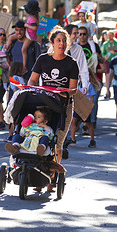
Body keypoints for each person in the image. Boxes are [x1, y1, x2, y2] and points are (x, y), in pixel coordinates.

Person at [28, 27, 78, 165]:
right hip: (45, 102)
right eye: (58, 41)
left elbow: (74, 88)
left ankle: (52, 177)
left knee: (57, 142)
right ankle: (38, 170)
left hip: (64, 105)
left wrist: (65, 92)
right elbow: (32, 79)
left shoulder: (72, 63)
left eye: (64, 41)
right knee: (39, 135)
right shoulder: (43, 59)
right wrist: (31, 88)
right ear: (52, 43)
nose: (61, 43)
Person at [6, 0, 40, 72]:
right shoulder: (14, 41)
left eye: (21, 30)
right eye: (16, 30)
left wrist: (27, 25)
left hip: (30, 36)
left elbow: (35, 28)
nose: (18, 32)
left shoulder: (32, 18)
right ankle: (5, 48)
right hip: (14, 75)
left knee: (23, 50)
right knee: (10, 37)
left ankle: (24, 67)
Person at [69, 81, 97, 148]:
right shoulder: (77, 84)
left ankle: (92, 140)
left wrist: (90, 108)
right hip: (78, 106)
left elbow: (92, 98)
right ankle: (72, 138)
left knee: (88, 123)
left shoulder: (89, 85)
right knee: (73, 121)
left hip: (85, 106)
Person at [101, 30, 117, 98]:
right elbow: (103, 53)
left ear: (113, 35)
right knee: (108, 76)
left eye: (111, 35)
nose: (110, 36)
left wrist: (115, 53)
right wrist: (104, 56)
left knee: (116, 76)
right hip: (108, 61)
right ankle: (107, 91)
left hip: (116, 61)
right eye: (108, 35)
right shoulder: (105, 44)